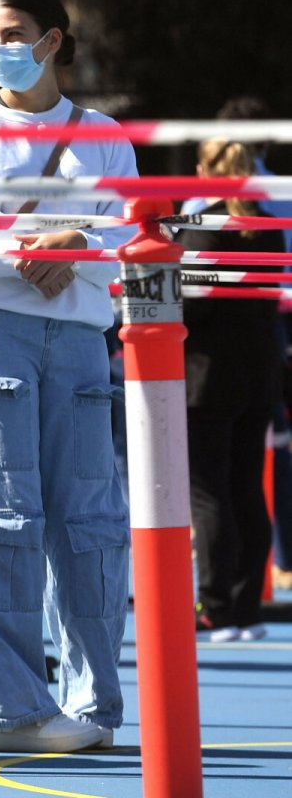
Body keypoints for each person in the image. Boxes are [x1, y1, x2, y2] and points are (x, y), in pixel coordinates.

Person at [0, 0, 137, 754]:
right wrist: (28, 250)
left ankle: (92, 705)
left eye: (10, 33)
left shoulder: (105, 132)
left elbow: (125, 232)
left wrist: (75, 246)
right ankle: (11, 713)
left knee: (92, 528)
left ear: (52, 41)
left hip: (79, 339)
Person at [176, 138, 279, 641]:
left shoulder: (202, 228)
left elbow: (190, 309)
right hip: (258, 374)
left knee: (208, 492)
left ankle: (215, 606)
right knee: (245, 488)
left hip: (206, 376)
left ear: (203, 171)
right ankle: (245, 606)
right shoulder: (265, 227)